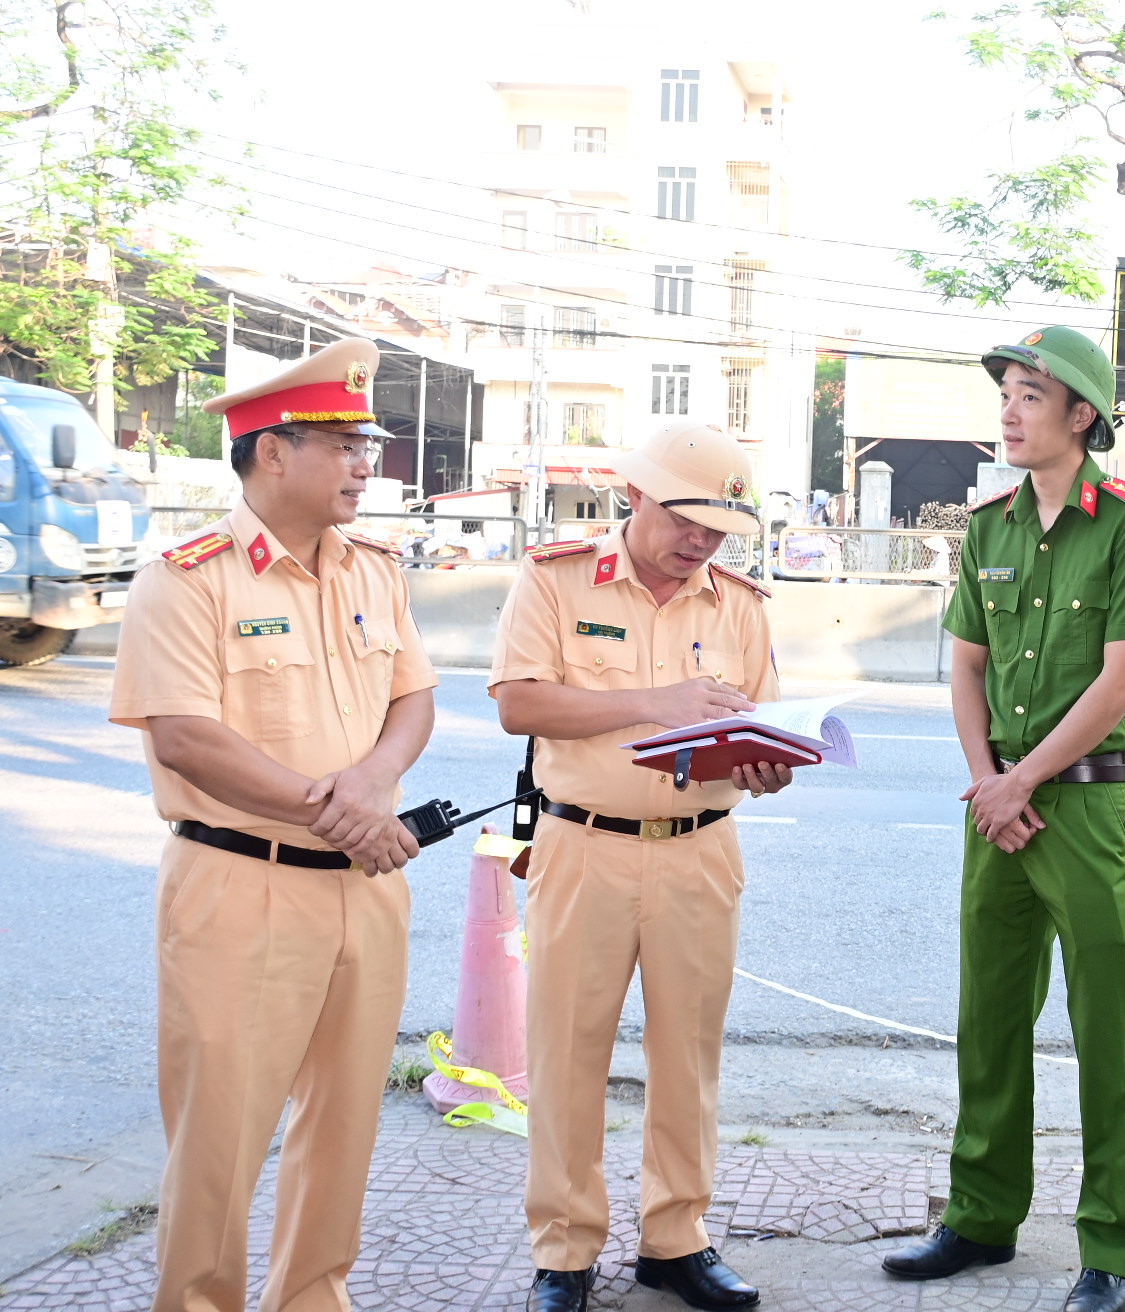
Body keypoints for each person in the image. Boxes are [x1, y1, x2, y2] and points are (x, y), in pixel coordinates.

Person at [108, 337, 438, 1312]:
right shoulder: (189, 577)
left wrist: (375, 783)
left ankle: (312, 1296)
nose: (367, 465)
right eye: (344, 444)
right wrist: (340, 814)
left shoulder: (376, 570)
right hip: (238, 886)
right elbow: (184, 738)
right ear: (272, 452)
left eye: (367, 443)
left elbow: (413, 701)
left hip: (363, 888)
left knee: (342, 1128)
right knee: (223, 1134)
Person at [880, 326, 1125, 1312]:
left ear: (1081, 415)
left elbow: (1121, 672)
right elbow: (963, 662)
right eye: (1005, 394)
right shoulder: (991, 524)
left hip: (1086, 804)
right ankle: (980, 1214)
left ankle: (1113, 1246)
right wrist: (986, 780)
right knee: (990, 1018)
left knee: (1105, 1026)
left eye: (1030, 398)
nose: (1008, 413)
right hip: (995, 805)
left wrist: (1023, 781)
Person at [489, 420, 792, 1312]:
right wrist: (659, 705)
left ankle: (676, 1239)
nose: (700, 542)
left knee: (688, 1057)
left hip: (700, 850)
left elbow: (762, 727)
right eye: (687, 520)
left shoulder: (740, 603)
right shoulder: (556, 579)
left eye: (717, 530)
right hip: (582, 846)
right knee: (567, 1053)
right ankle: (565, 1250)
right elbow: (519, 704)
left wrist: (767, 768)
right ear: (636, 497)